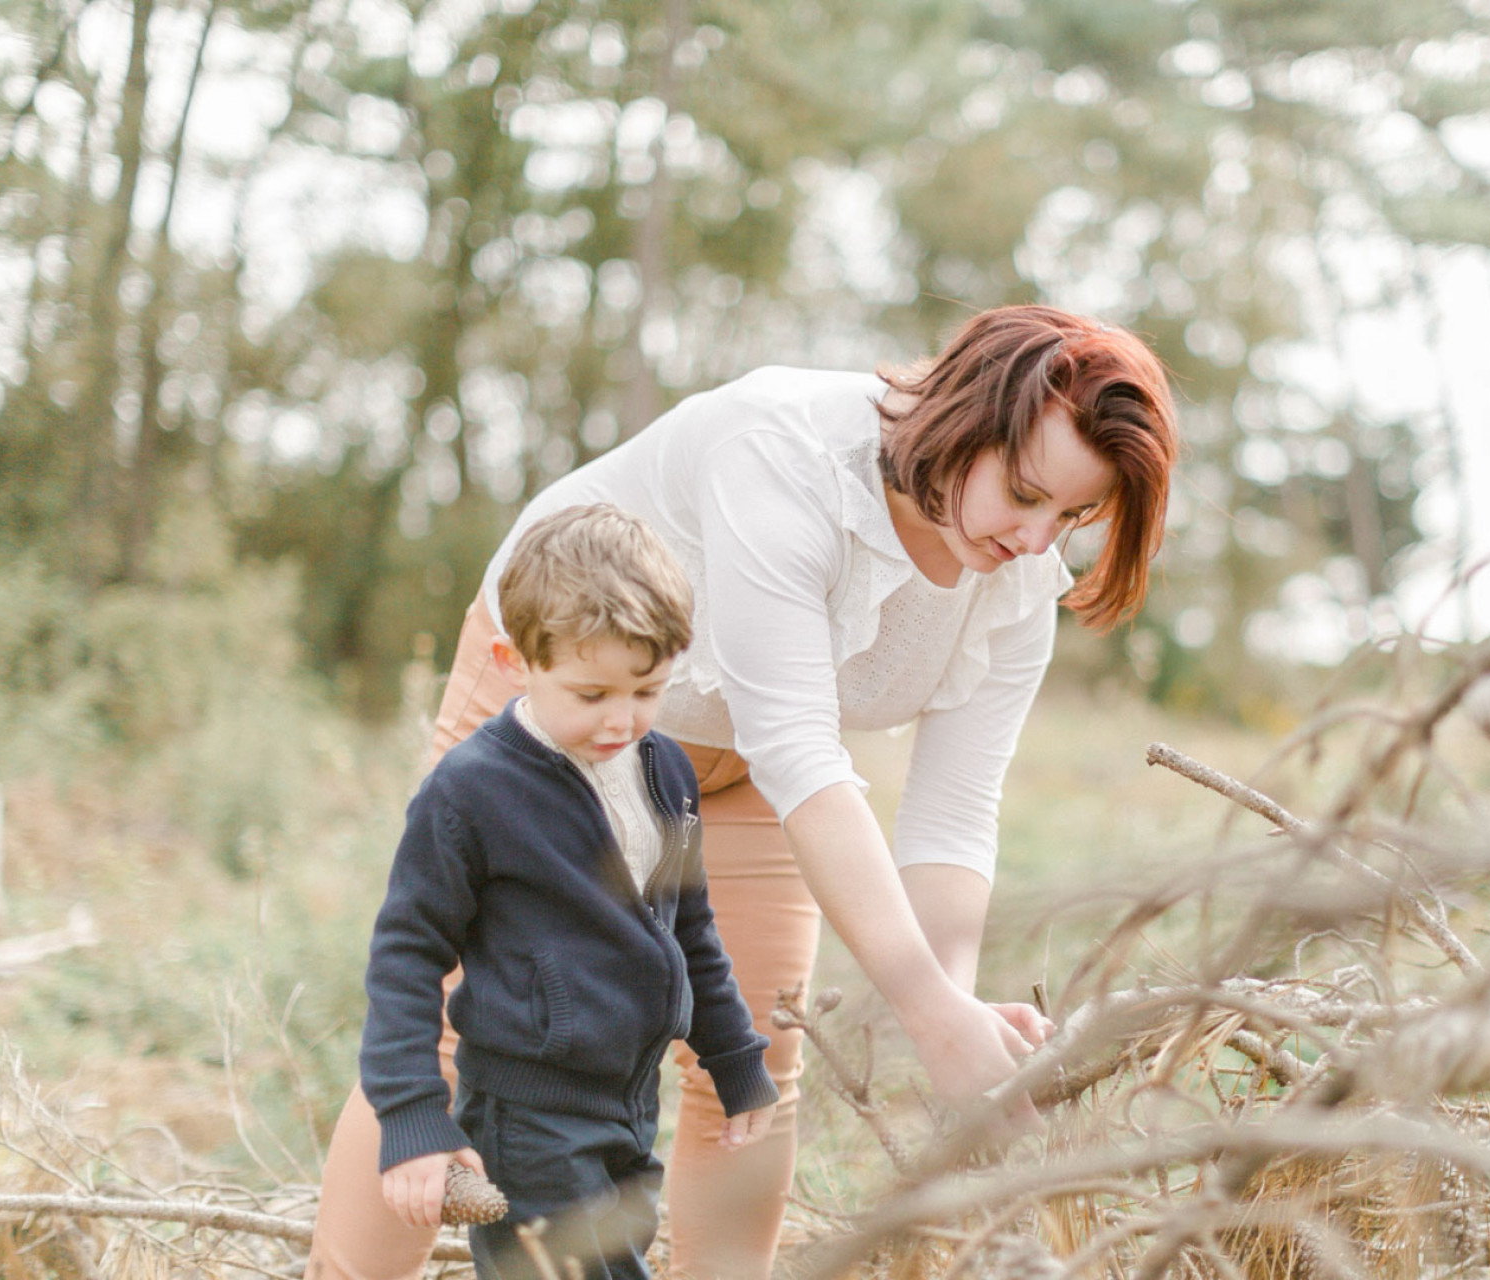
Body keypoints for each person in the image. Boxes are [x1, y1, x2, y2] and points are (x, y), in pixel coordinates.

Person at [306, 304, 1179, 1280]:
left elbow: (954, 810)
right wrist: (929, 1013)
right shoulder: (788, 454)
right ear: (964, 415)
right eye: (1024, 493)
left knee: (749, 1067)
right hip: (565, 700)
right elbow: (803, 748)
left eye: (1072, 514)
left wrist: (956, 1003)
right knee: (461, 1033)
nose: (1036, 538)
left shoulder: (1018, 589)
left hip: (735, 767)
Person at [358, 503, 779, 1280]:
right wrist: (412, 1115)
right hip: (528, 1115)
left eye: (647, 690)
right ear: (516, 660)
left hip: (630, 1104)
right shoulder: (471, 793)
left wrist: (735, 1055)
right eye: (591, 696)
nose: (622, 720)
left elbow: (689, 928)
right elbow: (404, 957)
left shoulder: (667, 774)